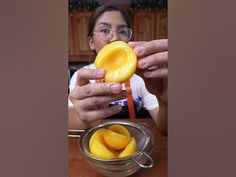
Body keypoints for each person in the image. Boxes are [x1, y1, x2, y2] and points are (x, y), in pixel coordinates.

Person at [68, 5, 168, 134]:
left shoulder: (144, 76)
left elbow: (165, 126)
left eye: (122, 31)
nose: (115, 38)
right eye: (104, 30)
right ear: (91, 42)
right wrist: (84, 118)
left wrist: (165, 100)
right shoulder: (81, 77)